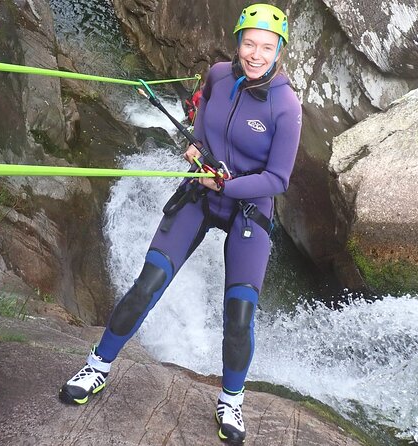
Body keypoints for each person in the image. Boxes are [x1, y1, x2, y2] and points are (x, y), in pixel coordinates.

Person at [59, 3, 301, 444]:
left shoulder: (285, 106)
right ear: (238, 42)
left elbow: (278, 179)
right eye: (249, 43)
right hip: (200, 191)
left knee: (239, 314)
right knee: (147, 283)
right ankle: (97, 366)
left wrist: (225, 186)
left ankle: (232, 400)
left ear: (279, 51)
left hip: (247, 206)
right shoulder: (218, 75)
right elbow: (203, 112)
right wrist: (196, 145)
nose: (256, 54)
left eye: (267, 47)